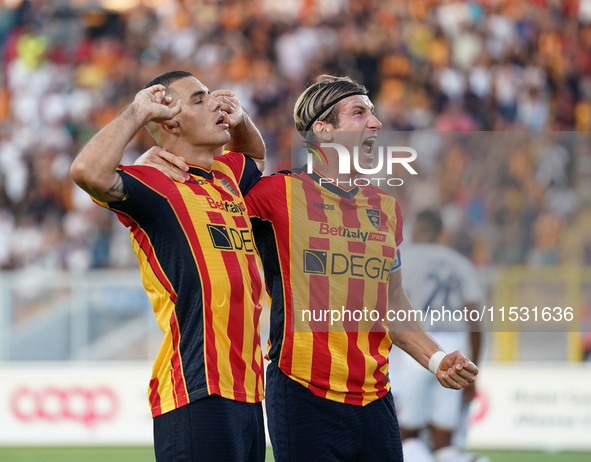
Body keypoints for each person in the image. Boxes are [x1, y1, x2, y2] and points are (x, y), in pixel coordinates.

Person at [137, 75, 478, 461]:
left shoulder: (386, 209)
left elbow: (393, 302)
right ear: (324, 130)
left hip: (376, 397)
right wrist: (157, 161)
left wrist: (436, 358)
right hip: (303, 394)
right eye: (359, 112)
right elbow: (204, 193)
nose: (375, 122)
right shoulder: (274, 195)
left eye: (374, 113)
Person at [70, 70, 267, 462]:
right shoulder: (153, 184)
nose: (215, 103)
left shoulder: (227, 176)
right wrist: (138, 111)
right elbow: (86, 172)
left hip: (248, 390)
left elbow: (255, 156)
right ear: (171, 122)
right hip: (197, 388)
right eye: (199, 99)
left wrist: (242, 121)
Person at [389, 209, 484, 462]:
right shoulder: (459, 262)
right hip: (456, 350)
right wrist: (474, 370)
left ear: (415, 229)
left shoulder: (400, 257)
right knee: (445, 442)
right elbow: (474, 319)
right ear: (441, 233)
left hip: (414, 346)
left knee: (406, 436)